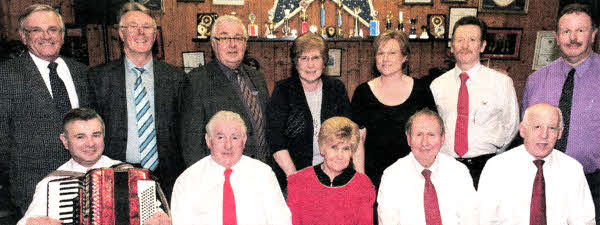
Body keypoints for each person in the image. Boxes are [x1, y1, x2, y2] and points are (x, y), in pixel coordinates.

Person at [87, 2, 185, 201]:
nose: (141, 32)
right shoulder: (99, 78)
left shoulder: (176, 78)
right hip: (115, 178)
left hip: (166, 179)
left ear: (155, 35)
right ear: (121, 34)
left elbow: (183, 131)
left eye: (147, 27)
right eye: (133, 26)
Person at [0, 4, 89, 218]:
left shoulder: (83, 73)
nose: (46, 36)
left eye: (52, 29)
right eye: (36, 30)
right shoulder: (6, 76)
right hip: (33, 192)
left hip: (86, 187)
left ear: (62, 34)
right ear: (23, 36)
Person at [18, 107, 170, 225]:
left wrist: (160, 218)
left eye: (96, 135)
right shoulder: (51, 184)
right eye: (80, 137)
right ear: (65, 141)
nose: (90, 143)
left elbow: (156, 215)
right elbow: (27, 222)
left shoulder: (132, 174)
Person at [521, 3, 600, 220]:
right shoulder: (536, 81)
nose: (572, 38)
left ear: (593, 35)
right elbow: (526, 134)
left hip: (594, 185)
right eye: (566, 31)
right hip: (543, 182)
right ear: (556, 37)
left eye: (580, 31)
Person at [429, 16, 519, 188]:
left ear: (483, 45)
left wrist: (493, 155)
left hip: (486, 166)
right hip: (447, 166)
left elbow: (512, 125)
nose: (465, 46)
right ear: (452, 45)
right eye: (460, 40)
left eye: (472, 40)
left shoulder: (501, 83)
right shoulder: (437, 85)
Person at [479, 103, 595, 224]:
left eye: (552, 128)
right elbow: (484, 220)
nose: (544, 135)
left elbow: (584, 220)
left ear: (560, 133)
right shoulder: (497, 167)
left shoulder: (572, 169)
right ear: (523, 130)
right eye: (537, 127)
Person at [267, 32, 355, 191]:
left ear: (324, 61)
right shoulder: (283, 90)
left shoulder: (336, 89)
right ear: (296, 63)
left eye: (315, 58)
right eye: (304, 58)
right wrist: (295, 179)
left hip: (334, 174)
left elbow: (349, 135)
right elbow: (276, 140)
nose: (310, 65)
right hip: (293, 175)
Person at [171, 111, 291, 225]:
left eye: (235, 138)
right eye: (220, 138)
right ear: (208, 140)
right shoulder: (187, 181)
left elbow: (281, 220)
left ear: (244, 141)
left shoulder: (264, 175)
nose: (228, 146)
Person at [179, 15, 269, 167]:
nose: (232, 44)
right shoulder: (196, 81)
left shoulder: (257, 78)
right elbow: (191, 144)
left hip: (259, 174)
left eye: (238, 38)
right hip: (222, 176)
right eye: (225, 38)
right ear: (213, 44)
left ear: (245, 44)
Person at [351, 29, 436, 189]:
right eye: (380, 53)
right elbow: (357, 141)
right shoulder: (362, 93)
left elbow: (432, 137)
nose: (385, 59)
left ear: (404, 57)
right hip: (373, 178)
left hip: (413, 177)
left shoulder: (421, 90)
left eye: (392, 53)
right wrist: (361, 181)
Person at [377, 109, 478, 225]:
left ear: (442, 139)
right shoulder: (392, 176)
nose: (425, 142)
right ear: (408, 139)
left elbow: (470, 219)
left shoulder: (459, 171)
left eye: (431, 135)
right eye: (419, 135)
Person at [286, 117, 375, 225]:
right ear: (323, 148)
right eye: (334, 147)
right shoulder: (298, 181)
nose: (340, 155)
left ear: (352, 152)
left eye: (346, 149)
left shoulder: (363, 185)